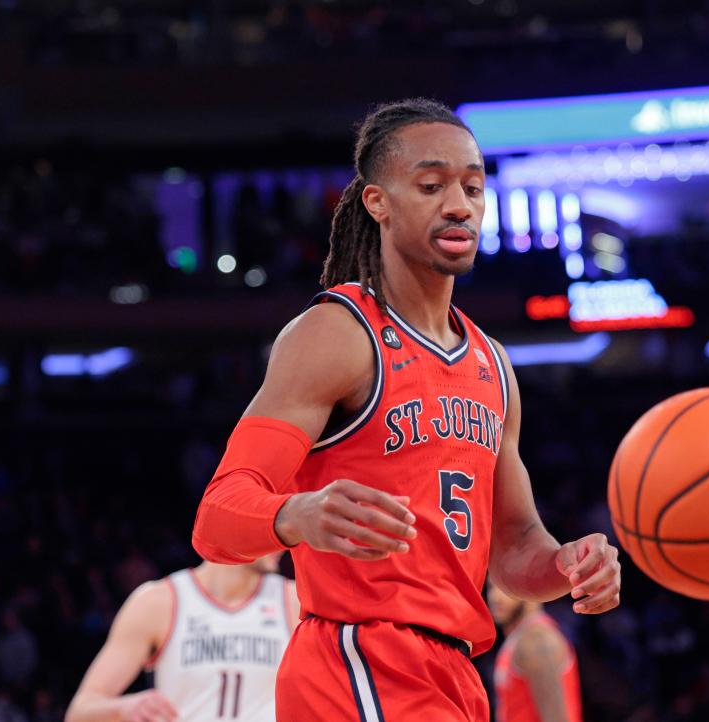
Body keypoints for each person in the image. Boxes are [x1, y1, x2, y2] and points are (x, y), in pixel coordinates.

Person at [191, 98, 621, 722]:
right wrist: (297, 513)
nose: (459, 205)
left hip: (452, 672)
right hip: (361, 661)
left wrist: (568, 566)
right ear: (377, 203)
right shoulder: (337, 335)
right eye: (431, 185)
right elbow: (216, 515)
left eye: (473, 187)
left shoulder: (492, 364)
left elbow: (514, 547)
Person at [66, 553, 296, 722]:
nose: (284, 538)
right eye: (271, 523)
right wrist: (124, 708)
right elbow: (80, 712)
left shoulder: (297, 601)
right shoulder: (158, 601)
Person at [488, 582, 583, 722]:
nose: (495, 596)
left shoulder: (536, 640)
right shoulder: (520, 637)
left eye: (504, 586)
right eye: (491, 587)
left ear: (529, 584)